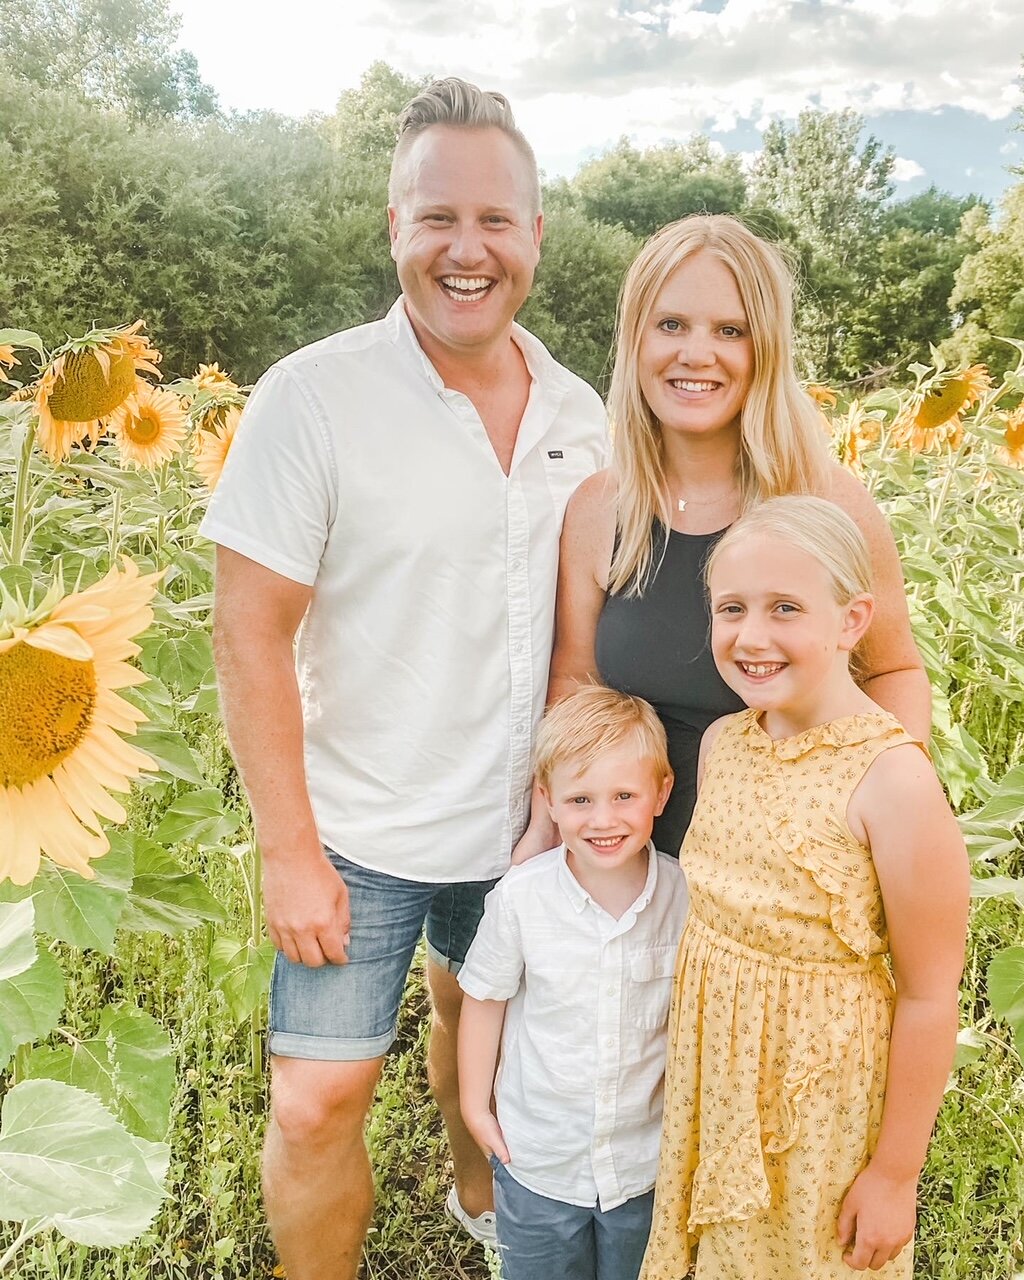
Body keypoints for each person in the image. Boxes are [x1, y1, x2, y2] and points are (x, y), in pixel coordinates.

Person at [200, 78, 607, 1280]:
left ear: (535, 235)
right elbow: (247, 630)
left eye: (496, 219)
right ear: (394, 229)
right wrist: (289, 850)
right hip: (359, 831)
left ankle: (476, 1196)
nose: (466, 248)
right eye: (437, 217)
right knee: (318, 1101)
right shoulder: (313, 396)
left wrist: (557, 812)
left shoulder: (583, 416)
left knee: (469, 1022)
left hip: (519, 828)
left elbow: (580, 636)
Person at [515, 214, 932, 863]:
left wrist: (878, 817)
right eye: (671, 324)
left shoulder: (827, 502)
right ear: (636, 339)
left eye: (729, 330)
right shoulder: (599, 510)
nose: (696, 353)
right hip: (630, 882)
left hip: (787, 885)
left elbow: (894, 670)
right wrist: (546, 830)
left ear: (762, 349)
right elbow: (576, 682)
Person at [639, 495, 969, 1279]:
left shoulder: (892, 782)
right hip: (713, 1076)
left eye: (786, 608)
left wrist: (894, 1176)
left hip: (817, 1101)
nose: (752, 636)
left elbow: (930, 996)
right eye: (732, 609)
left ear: (853, 619)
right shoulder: (726, 743)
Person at [458, 685, 689, 1280]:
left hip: (645, 1162)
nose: (603, 819)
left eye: (623, 796)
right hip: (539, 1157)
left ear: (660, 793)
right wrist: (473, 1105)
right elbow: (485, 999)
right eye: (581, 798)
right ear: (549, 802)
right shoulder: (522, 898)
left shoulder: (684, 897)